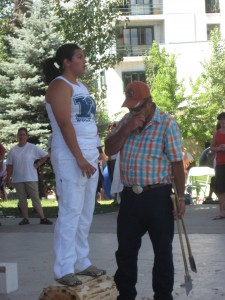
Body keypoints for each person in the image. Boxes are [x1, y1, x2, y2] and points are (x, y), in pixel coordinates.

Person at [105, 81, 185, 300]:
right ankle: (125, 295)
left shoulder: (167, 124)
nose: (133, 112)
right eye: (130, 108)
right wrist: (127, 128)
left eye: (137, 108)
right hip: (130, 196)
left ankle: (162, 296)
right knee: (125, 251)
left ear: (150, 103)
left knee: (162, 252)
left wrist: (180, 197)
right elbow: (109, 149)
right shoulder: (127, 121)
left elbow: (177, 163)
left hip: (158, 196)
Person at [42, 43, 106, 286]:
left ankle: (81, 261)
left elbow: (87, 123)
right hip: (70, 156)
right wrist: (79, 157)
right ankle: (63, 267)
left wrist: (96, 153)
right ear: (67, 62)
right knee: (71, 211)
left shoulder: (81, 86)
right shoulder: (59, 86)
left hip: (88, 154)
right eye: (80, 56)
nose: (84, 60)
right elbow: (65, 125)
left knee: (86, 211)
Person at [6, 128, 52, 225]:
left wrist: (38, 164)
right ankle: (25, 219)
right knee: (22, 200)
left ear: (27, 136)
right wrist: (8, 178)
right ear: (17, 136)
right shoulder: (13, 151)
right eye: (20, 135)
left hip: (30, 177)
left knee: (35, 199)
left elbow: (45, 156)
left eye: (23, 134)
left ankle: (43, 218)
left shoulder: (32, 148)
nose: (22, 136)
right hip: (18, 179)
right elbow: (10, 166)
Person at [210, 112, 225, 220]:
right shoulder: (217, 133)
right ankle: (222, 212)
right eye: (221, 120)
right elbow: (211, 147)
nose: (223, 122)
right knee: (220, 189)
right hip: (220, 164)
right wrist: (219, 148)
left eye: (224, 119)